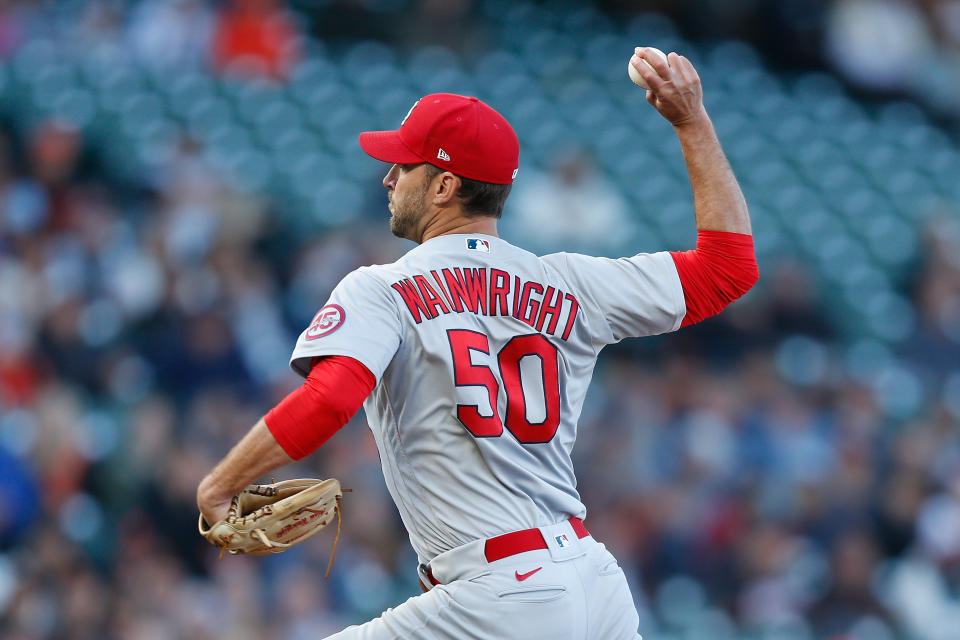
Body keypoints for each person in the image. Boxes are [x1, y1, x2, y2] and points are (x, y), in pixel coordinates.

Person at [197, 48, 758, 639]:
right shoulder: (569, 282)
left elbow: (332, 398)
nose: (388, 177)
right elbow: (729, 268)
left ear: (444, 186)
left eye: (403, 166)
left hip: (501, 594)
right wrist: (692, 123)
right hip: (594, 584)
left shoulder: (386, 286)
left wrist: (220, 483)